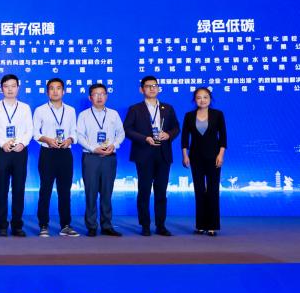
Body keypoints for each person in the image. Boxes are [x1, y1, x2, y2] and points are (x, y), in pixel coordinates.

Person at [124, 75, 180, 237]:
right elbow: (127, 129)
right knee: (144, 190)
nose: (152, 88)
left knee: (161, 190)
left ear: (158, 88)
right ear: (141, 89)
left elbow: (176, 127)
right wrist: (145, 138)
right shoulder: (135, 109)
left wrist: (168, 135)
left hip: (163, 153)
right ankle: (145, 225)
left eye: (155, 85)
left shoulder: (167, 108)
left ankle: (161, 225)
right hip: (144, 153)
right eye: (148, 86)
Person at [0, 73, 34, 237]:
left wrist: (22, 143)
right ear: (2, 89)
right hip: (2, 151)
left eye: (13, 86)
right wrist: (2, 143)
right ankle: (2, 225)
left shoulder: (25, 108)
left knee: (19, 188)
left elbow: (29, 130)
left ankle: (17, 225)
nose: (10, 89)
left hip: (20, 151)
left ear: (18, 88)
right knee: (2, 188)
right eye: (6, 86)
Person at [76, 82, 125, 237]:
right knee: (90, 193)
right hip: (91, 157)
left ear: (106, 96)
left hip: (109, 158)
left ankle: (107, 225)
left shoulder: (113, 114)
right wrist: (93, 148)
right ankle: (91, 225)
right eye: (96, 94)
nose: (99, 97)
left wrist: (114, 145)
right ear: (90, 97)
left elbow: (121, 133)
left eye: (102, 94)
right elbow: (79, 136)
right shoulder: (83, 115)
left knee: (107, 193)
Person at [34, 77, 80, 237]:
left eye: (58, 88)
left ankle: (65, 225)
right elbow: (35, 133)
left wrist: (70, 140)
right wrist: (47, 139)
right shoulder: (40, 110)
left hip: (65, 153)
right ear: (47, 92)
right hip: (48, 153)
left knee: (65, 190)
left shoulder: (71, 110)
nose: (55, 91)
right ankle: (43, 225)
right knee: (45, 190)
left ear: (63, 91)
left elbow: (74, 131)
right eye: (52, 88)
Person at [181, 86, 227, 236]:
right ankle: (200, 225)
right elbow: (184, 138)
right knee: (199, 190)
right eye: (199, 97)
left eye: (205, 97)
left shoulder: (218, 114)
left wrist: (221, 155)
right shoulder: (189, 116)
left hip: (214, 157)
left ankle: (212, 226)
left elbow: (223, 137)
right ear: (195, 100)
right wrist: (185, 155)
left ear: (210, 99)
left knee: (213, 190)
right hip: (195, 158)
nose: (202, 100)